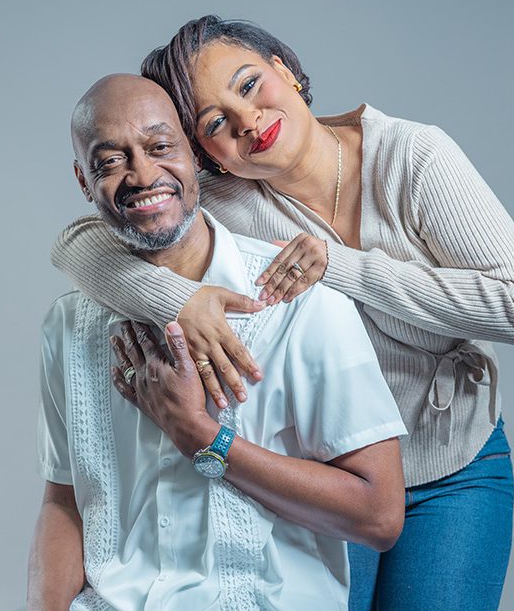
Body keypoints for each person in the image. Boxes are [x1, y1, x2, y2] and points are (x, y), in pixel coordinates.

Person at [50, 16, 514, 611]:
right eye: (214, 123)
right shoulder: (229, 202)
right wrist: (176, 299)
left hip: (453, 460)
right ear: (205, 153)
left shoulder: (411, 158)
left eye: (250, 84)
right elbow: (80, 242)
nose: (247, 121)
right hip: (329, 468)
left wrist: (338, 266)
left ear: (285, 69)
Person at [27, 73, 408, 610]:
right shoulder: (66, 327)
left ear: (195, 154)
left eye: (160, 147)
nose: (141, 174)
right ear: (83, 181)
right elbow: (65, 499)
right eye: (110, 161)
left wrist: (203, 436)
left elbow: (379, 515)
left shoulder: (300, 303)